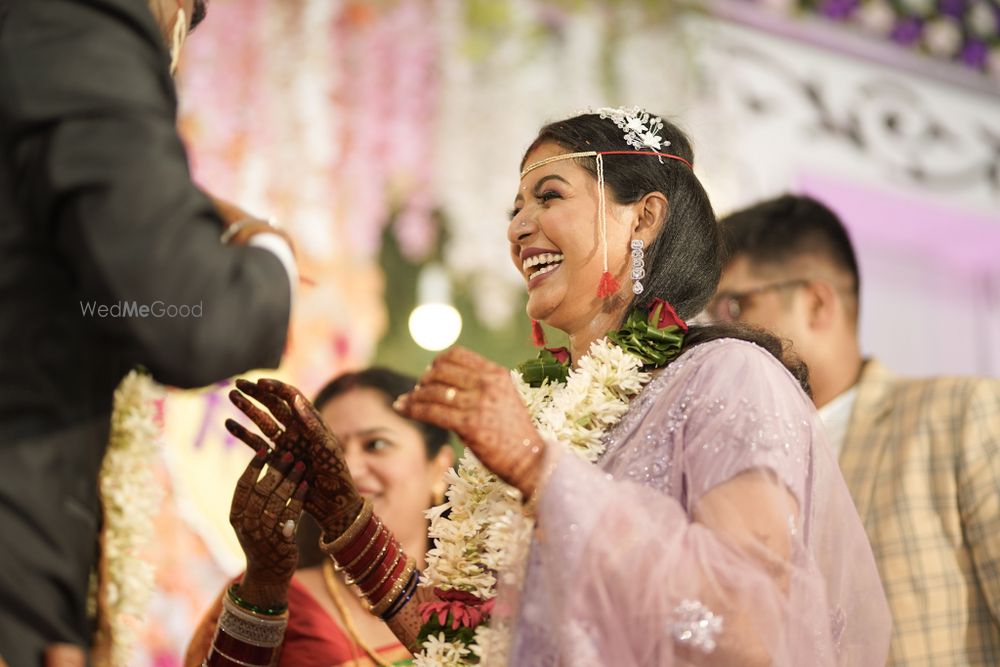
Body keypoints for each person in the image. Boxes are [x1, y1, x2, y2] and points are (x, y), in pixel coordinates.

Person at [215, 109, 891, 666]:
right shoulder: (548, 414)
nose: (517, 228)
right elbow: (476, 649)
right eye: (515, 207)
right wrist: (344, 517)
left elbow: (750, 624)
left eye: (550, 196)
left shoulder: (729, 376)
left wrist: (541, 469)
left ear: (643, 218)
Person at [0, 0, 296, 663]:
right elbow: (185, 314)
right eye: (187, 18)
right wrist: (269, 250)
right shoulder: (74, 20)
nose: (176, 47)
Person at [711, 194, 1000, 665]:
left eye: (733, 308)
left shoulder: (962, 414)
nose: (716, 336)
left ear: (817, 303)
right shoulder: (725, 463)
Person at [185, 368, 454, 667]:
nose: (349, 467)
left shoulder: (485, 591)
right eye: (332, 450)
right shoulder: (272, 593)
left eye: (376, 444)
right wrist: (263, 590)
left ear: (439, 466)